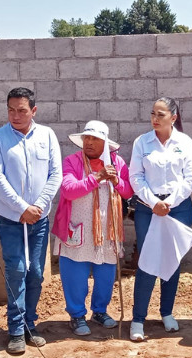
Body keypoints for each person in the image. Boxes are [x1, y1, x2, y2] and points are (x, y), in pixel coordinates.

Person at [0, 87, 62, 354]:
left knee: (37, 272)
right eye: (10, 109)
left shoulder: (47, 136)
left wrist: (38, 206)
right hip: (10, 217)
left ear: (33, 110)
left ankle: (31, 323)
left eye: (21, 110)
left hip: (39, 218)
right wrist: (21, 208)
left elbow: (56, 174)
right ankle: (16, 330)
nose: (15, 115)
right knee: (16, 270)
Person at [52, 121, 133, 336]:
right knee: (75, 275)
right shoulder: (72, 161)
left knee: (106, 274)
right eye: (86, 138)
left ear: (105, 143)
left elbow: (128, 192)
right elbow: (68, 190)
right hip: (78, 229)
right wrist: (97, 177)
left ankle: (100, 311)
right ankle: (77, 315)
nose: (88, 142)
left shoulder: (117, 163)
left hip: (107, 230)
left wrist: (116, 181)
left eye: (94, 139)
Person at [128, 97, 192, 342]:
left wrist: (169, 202)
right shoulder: (142, 142)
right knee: (147, 261)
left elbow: (191, 180)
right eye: (152, 114)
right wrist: (153, 202)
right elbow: (135, 177)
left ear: (174, 118)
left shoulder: (185, 142)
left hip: (177, 208)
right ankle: (138, 319)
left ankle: (167, 312)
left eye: (161, 115)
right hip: (149, 208)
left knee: (172, 260)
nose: (155, 119)